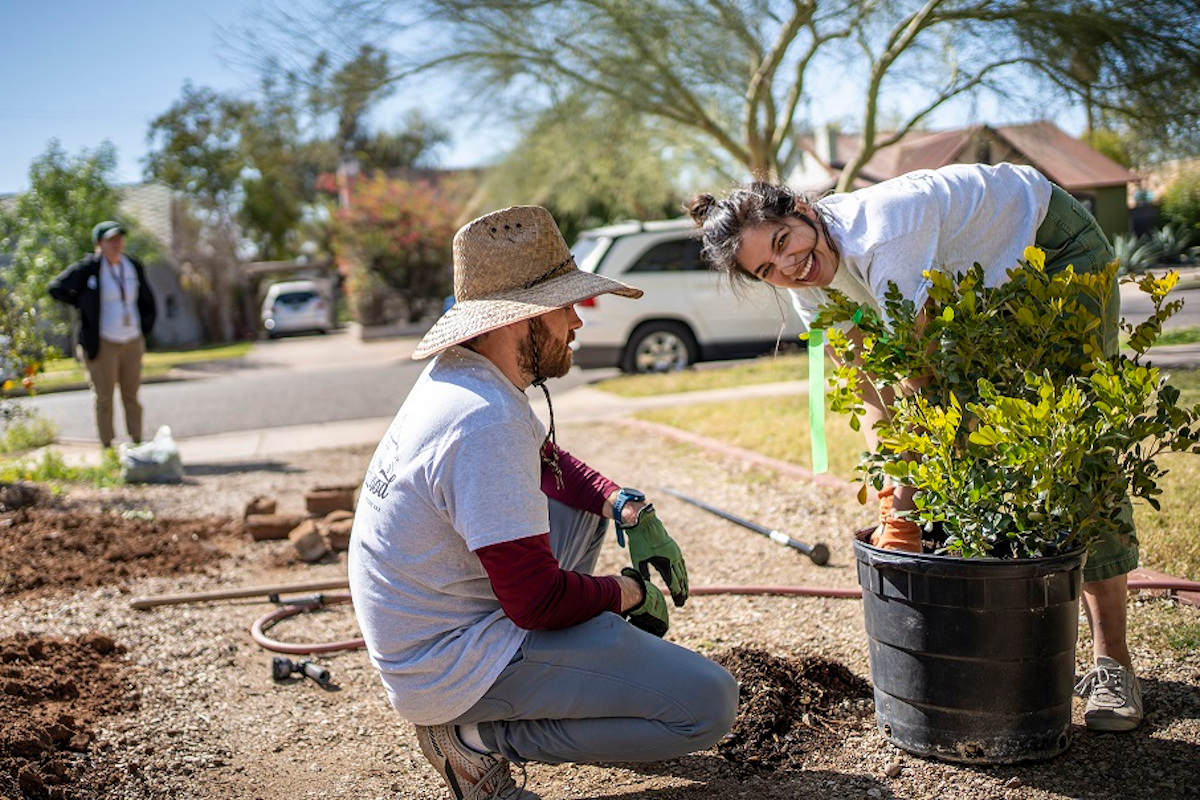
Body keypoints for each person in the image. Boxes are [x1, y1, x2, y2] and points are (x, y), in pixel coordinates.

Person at [688, 162, 1142, 732]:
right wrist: (892, 499)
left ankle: (1112, 661)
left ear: (803, 210)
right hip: (979, 278)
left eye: (784, 241)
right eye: (766, 268)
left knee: (1071, 442)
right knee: (973, 429)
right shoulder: (810, 292)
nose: (788, 266)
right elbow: (877, 398)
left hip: (1052, 247)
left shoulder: (886, 232)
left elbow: (919, 382)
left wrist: (907, 500)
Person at [348, 205, 739, 800]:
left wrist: (625, 505)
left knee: (580, 507)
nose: (577, 323)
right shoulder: (484, 423)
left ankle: (569, 680)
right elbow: (537, 602)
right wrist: (627, 594)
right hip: (452, 667)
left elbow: (552, 464)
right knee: (709, 705)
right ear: (520, 319)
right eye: (566, 307)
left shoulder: (467, 376)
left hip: (439, 631)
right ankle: (476, 739)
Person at [48, 220, 157, 449]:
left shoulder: (132, 265)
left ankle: (137, 443)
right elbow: (55, 288)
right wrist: (81, 301)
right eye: (111, 240)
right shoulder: (89, 268)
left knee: (132, 395)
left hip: (132, 338)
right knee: (104, 397)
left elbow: (147, 298)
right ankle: (107, 447)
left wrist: (145, 326)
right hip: (103, 341)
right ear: (100, 243)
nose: (117, 243)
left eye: (119, 238)